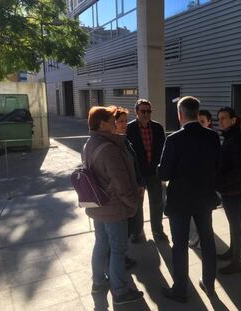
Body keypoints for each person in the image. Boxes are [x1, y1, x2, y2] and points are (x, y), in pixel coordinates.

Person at [158, 96, 221, 302]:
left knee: (179, 244)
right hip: (204, 199)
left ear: (180, 115)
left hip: (180, 202)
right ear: (197, 113)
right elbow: (217, 166)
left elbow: (164, 174)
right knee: (208, 240)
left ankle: (180, 289)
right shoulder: (212, 136)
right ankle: (209, 284)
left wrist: (158, 168)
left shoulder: (174, 139)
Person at [83, 106, 143, 305]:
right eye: (111, 121)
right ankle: (119, 291)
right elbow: (122, 184)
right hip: (114, 208)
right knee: (117, 249)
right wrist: (134, 203)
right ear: (102, 124)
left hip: (97, 205)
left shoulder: (89, 143)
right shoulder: (109, 148)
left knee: (101, 245)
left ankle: (98, 283)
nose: (115, 123)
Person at [126, 99, 168, 242]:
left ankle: (157, 231)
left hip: (155, 173)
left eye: (148, 111)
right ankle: (138, 233)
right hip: (138, 175)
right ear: (136, 112)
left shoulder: (158, 127)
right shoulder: (129, 129)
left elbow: (163, 150)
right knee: (137, 205)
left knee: (157, 204)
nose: (146, 114)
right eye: (143, 111)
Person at [216, 107, 241, 275]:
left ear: (233, 120)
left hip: (233, 190)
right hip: (230, 189)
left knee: (236, 224)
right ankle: (232, 252)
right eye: (219, 118)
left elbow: (238, 170)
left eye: (223, 118)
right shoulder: (230, 137)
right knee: (232, 222)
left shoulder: (236, 139)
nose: (220, 121)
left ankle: (237, 262)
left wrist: (220, 183)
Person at [113, 106, 145, 269]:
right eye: (121, 121)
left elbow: (135, 164)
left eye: (126, 121)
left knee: (131, 225)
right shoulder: (113, 144)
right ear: (113, 123)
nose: (125, 124)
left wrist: (140, 183)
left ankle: (122, 256)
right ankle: (120, 259)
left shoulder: (125, 140)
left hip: (133, 190)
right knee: (122, 230)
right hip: (123, 195)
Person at [189, 109, 214, 248]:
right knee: (195, 215)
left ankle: (203, 240)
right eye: (198, 121)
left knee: (205, 216)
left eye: (203, 122)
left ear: (209, 123)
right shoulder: (192, 138)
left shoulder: (212, 138)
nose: (200, 124)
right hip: (193, 185)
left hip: (206, 186)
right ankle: (197, 237)